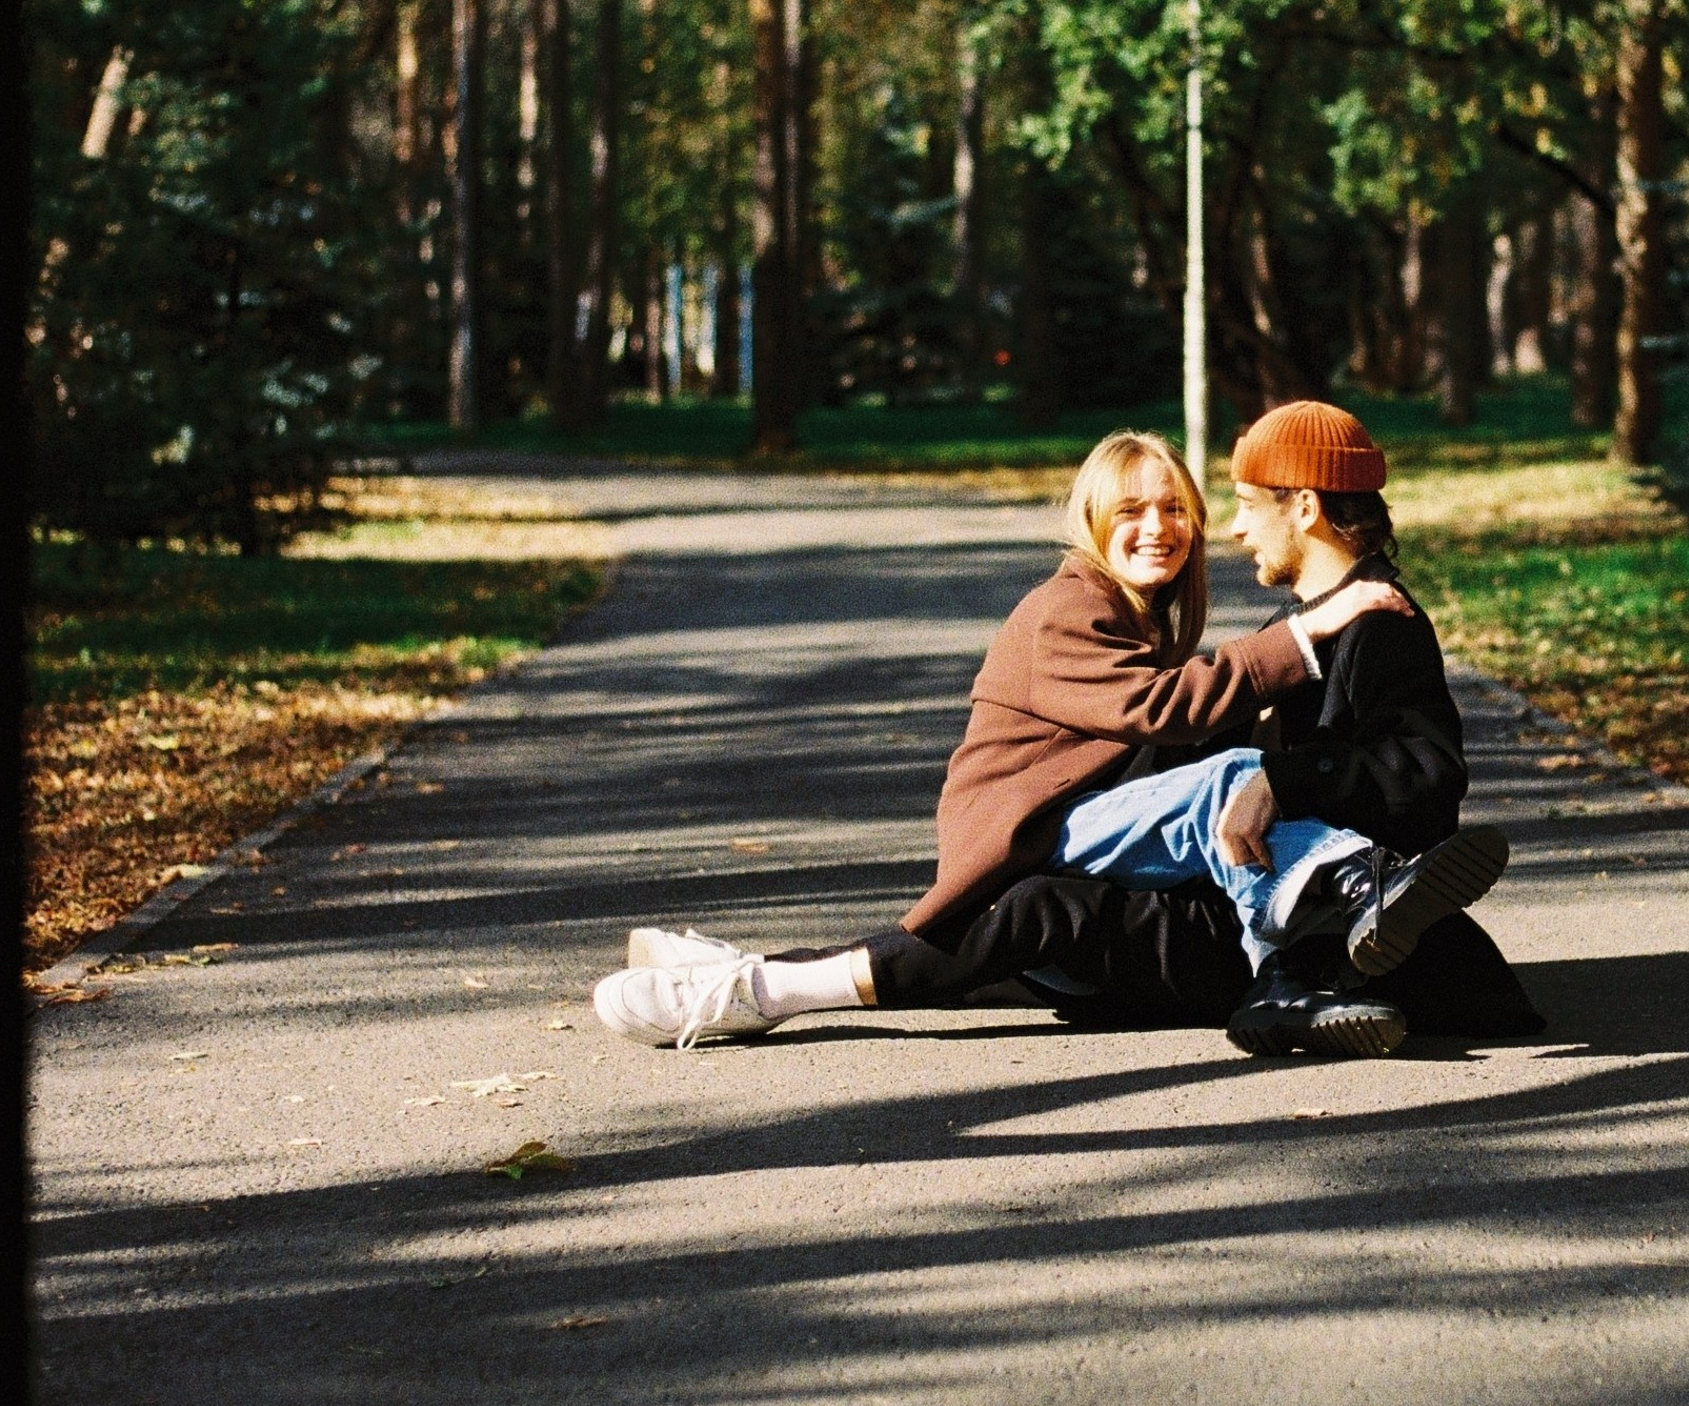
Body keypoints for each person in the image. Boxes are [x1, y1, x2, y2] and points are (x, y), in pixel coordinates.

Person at [590, 423, 1510, 1050]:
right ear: (1095, 519)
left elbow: (1420, 772)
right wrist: (1284, 725)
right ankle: (1327, 916)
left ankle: (742, 981)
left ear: (1303, 508)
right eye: (1137, 510)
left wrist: (1288, 772)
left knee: (1018, 941)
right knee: (1188, 806)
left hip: (1115, 843)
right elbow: (1171, 717)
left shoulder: (1373, 622)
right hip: (1040, 830)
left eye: (1195, 506)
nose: (1200, 529)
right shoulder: (1074, 608)